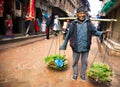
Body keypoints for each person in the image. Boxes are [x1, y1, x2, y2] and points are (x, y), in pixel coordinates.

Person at [60, 6, 111, 81]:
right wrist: (64, 45)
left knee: (84, 62)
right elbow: (68, 36)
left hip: (85, 46)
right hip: (76, 46)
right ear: (77, 15)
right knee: (75, 61)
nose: (82, 15)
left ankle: (82, 74)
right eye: (80, 14)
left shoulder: (89, 23)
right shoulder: (73, 24)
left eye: (83, 13)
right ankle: (75, 74)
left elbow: (95, 32)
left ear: (85, 14)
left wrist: (103, 32)